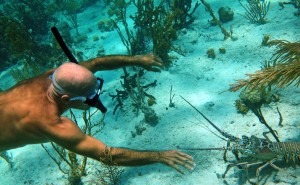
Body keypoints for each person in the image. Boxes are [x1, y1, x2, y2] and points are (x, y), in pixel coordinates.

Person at [0, 53, 195, 173]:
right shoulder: (51, 124)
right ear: (67, 99)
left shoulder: (56, 76)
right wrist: (160, 156)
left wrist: (137, 59)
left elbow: (97, 62)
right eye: (89, 97)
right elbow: (109, 156)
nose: (94, 100)